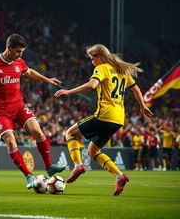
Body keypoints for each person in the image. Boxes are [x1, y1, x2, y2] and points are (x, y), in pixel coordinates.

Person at [0, 34, 66, 189]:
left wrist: (47, 80)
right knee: (10, 140)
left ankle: (49, 166)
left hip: (19, 106)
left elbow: (29, 72)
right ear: (9, 48)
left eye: (22, 52)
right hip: (1, 111)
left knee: (37, 130)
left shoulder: (19, 62)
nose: (20, 55)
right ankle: (28, 176)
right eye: (18, 51)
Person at [54, 44, 153, 196]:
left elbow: (92, 84)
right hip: (119, 119)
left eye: (93, 58)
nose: (92, 62)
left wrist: (69, 91)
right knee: (93, 151)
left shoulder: (102, 68)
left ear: (99, 56)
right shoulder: (123, 71)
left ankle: (78, 165)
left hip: (105, 114)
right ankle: (120, 176)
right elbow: (136, 90)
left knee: (70, 133)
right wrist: (142, 106)